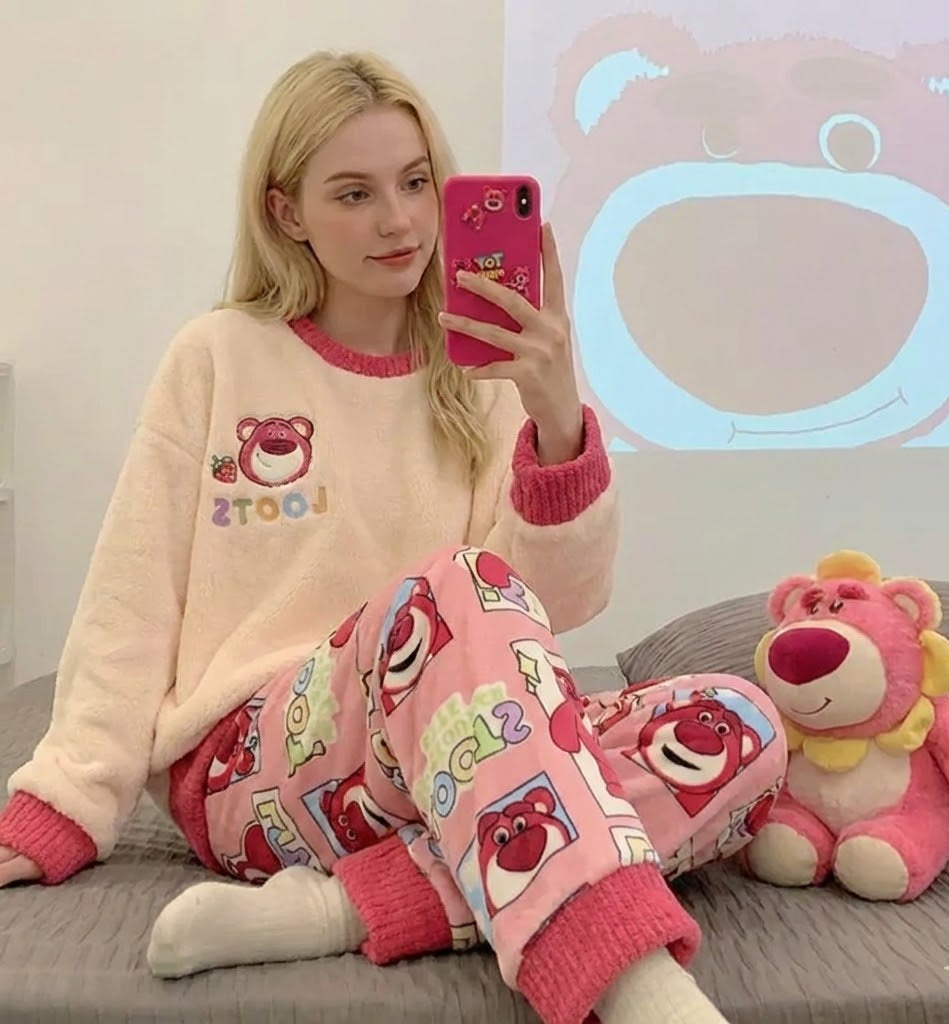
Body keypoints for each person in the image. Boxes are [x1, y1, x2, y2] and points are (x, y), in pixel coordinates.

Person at [0, 50, 785, 1024]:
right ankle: (631, 977)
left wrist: (555, 418)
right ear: (287, 212)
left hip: (447, 757)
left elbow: (545, 611)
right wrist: (63, 799)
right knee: (449, 587)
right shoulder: (218, 358)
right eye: (354, 193)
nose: (400, 221)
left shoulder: (485, 373)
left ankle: (346, 907)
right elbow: (131, 596)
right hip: (254, 774)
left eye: (415, 183)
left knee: (737, 722)